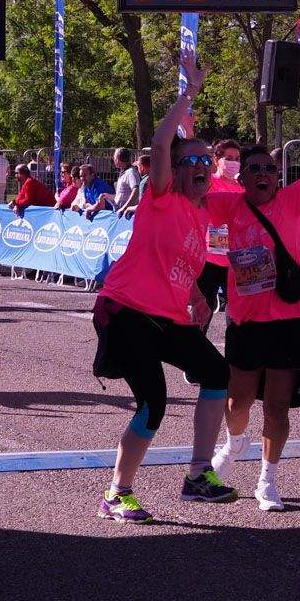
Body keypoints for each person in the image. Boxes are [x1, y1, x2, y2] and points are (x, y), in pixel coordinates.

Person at [91, 52, 236, 523]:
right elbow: (159, 143)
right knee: (153, 400)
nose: (199, 165)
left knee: (217, 373)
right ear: (173, 169)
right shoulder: (160, 197)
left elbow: (183, 265)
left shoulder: (200, 214)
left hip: (169, 316)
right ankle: (117, 493)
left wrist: (195, 296)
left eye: (205, 161)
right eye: (189, 159)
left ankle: (197, 476)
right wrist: (189, 92)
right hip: (127, 310)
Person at [209, 125, 300, 511]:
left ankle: (267, 480)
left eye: (269, 169)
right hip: (247, 320)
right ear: (243, 177)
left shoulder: (291, 199)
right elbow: (187, 198)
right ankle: (235, 442)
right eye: (254, 169)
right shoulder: (227, 205)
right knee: (239, 400)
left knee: (278, 405)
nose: (264, 175)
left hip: (291, 318)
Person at [197, 139, 244, 318]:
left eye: (237, 158)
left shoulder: (242, 189)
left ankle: (235, 346)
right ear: (217, 160)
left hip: (234, 260)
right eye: (229, 158)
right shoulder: (208, 183)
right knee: (202, 311)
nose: (234, 162)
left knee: (236, 314)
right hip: (208, 258)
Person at [116, 153, 151, 218]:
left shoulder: (145, 182)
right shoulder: (160, 179)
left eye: (138, 166)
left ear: (142, 167)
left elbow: (143, 206)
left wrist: (128, 208)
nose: (137, 168)